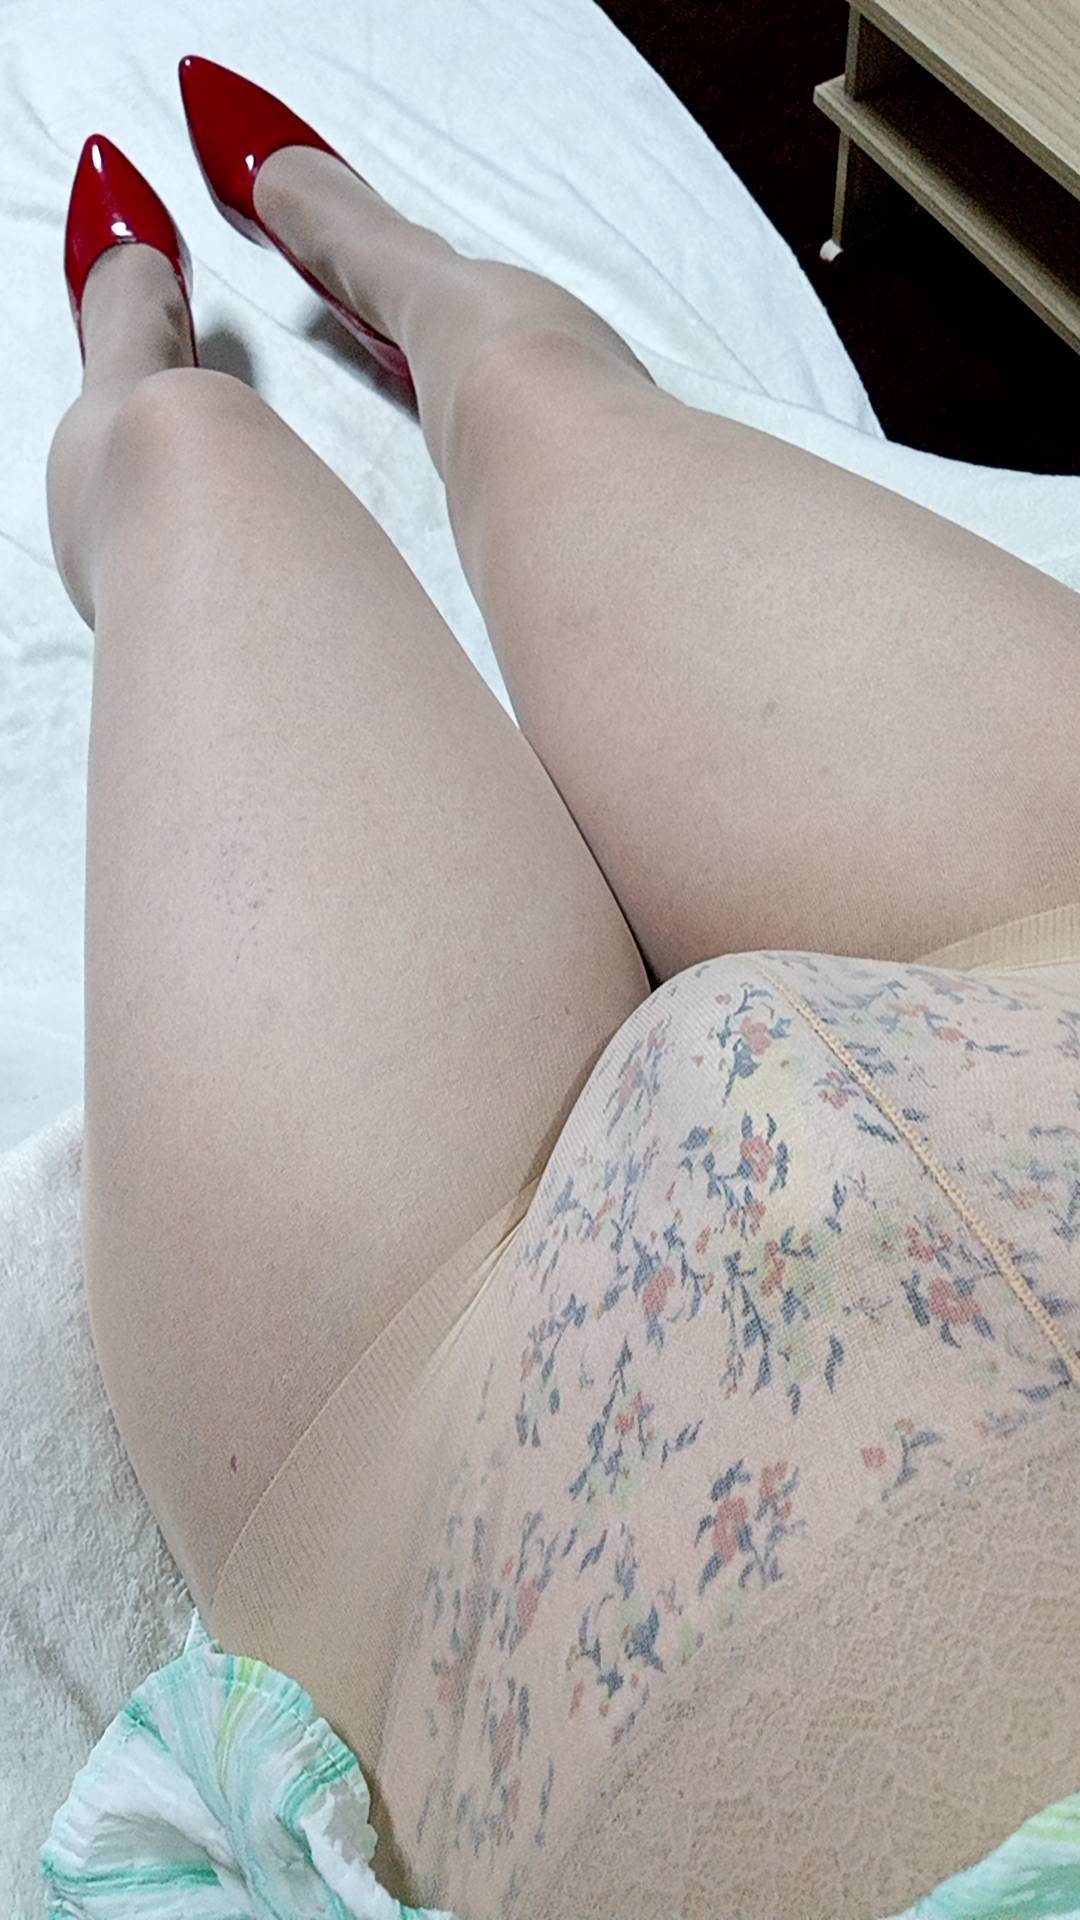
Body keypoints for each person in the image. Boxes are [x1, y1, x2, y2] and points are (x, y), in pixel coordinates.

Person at [39, 53, 1080, 1920]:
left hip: (430, 1497)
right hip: (1045, 969)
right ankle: (392, 269)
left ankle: (137, 361)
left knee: (186, 464)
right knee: (534, 389)